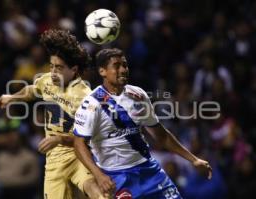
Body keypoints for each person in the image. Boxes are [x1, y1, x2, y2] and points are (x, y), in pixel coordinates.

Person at [73, 48, 213, 199]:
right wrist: (99, 175)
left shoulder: (138, 95)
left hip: (149, 170)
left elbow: (162, 137)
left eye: (125, 65)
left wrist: (194, 159)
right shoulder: (91, 104)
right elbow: (79, 144)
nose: (123, 70)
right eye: (117, 65)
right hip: (118, 177)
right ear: (102, 71)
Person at [0, 29, 105, 199]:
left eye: (59, 68)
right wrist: (12, 97)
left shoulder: (85, 97)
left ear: (74, 69)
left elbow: (89, 139)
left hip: (79, 155)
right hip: (54, 159)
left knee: (96, 192)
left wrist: (60, 139)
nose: (53, 72)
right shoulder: (47, 80)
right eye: (52, 66)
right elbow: (32, 91)